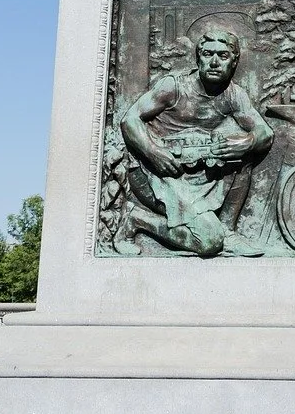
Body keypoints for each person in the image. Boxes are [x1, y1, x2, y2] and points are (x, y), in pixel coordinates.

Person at [115, 29, 273, 257]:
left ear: (235, 61)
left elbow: (265, 133)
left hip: (198, 175)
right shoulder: (173, 87)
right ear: (198, 58)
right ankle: (136, 219)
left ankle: (228, 230)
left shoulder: (234, 95)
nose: (215, 62)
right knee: (209, 243)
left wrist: (247, 142)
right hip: (159, 175)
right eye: (208, 54)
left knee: (245, 150)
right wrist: (153, 151)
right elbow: (129, 119)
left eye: (223, 56)